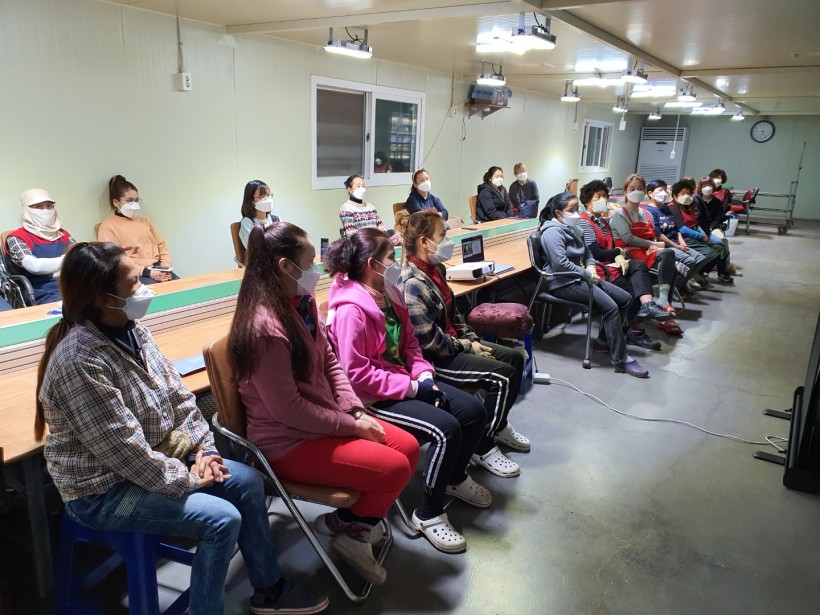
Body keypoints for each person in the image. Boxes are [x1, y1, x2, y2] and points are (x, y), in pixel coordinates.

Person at [35, 241, 328, 615]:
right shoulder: (80, 361)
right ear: (104, 298)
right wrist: (190, 478)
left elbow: (180, 398)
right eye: (133, 283)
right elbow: (126, 454)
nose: (143, 288)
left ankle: (269, 590)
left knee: (248, 482)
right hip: (103, 490)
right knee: (221, 521)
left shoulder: (134, 331)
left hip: (154, 461)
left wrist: (205, 451)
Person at [229, 222, 419, 586]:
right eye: (309, 262)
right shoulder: (264, 328)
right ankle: (355, 534)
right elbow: (288, 410)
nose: (316, 270)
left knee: (408, 448)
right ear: (286, 266)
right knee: (394, 468)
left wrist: (354, 408)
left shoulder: (301, 303)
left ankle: (344, 522)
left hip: (324, 420)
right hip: (287, 441)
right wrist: (351, 425)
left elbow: (331, 361)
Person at [324, 229, 489, 553]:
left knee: (473, 411)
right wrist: (413, 389)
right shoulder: (350, 310)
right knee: (446, 430)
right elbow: (355, 375)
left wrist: (424, 378)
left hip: (402, 381)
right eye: (391, 258)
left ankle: (454, 478)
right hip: (370, 397)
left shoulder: (390, 293)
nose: (397, 263)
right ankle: (428, 513)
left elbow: (411, 344)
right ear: (372, 264)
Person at [395, 211, 530, 477]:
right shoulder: (411, 284)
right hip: (436, 358)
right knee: (503, 376)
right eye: (442, 236)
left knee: (515, 358)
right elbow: (429, 341)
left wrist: (471, 339)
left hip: (455, 344)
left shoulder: (437, 269)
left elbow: (453, 315)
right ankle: (482, 446)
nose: (448, 242)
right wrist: (468, 347)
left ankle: (497, 426)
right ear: (424, 242)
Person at [538, 192, 649, 377]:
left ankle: (604, 342)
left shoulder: (574, 228)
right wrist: (587, 274)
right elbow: (560, 263)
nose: (576, 214)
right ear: (558, 213)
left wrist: (590, 266)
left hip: (581, 278)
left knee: (625, 299)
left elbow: (587, 253)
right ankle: (620, 358)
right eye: (571, 210)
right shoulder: (552, 232)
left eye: (577, 209)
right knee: (611, 307)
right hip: (563, 282)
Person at [577, 180, 670, 351]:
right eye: (598, 197)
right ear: (587, 201)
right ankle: (618, 336)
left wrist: (619, 255)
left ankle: (647, 306)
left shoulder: (603, 222)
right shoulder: (584, 222)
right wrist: (619, 252)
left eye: (604, 196)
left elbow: (612, 246)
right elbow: (596, 253)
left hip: (611, 265)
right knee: (632, 292)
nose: (603, 200)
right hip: (598, 269)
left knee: (639, 266)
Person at [609, 174, 684, 336]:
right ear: (625, 191)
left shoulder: (646, 213)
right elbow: (628, 238)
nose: (636, 191)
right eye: (632, 189)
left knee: (670, 260)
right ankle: (665, 312)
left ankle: (663, 302)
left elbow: (652, 235)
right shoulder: (620, 214)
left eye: (639, 188)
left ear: (645, 191)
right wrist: (653, 245)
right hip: (629, 253)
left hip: (647, 251)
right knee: (668, 262)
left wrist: (653, 245)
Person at [98, 175, 178, 285]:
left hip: (158, 267)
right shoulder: (107, 227)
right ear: (116, 202)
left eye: (136, 200)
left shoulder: (145, 222)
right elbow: (114, 260)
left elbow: (161, 244)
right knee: (156, 293)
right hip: (136, 272)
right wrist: (147, 272)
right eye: (129, 201)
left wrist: (165, 266)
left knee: (183, 287)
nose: (134, 204)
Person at [4, 188, 75, 304]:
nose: (45, 211)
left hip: (72, 286)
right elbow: (35, 266)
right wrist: (67, 260)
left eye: (49, 206)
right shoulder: (16, 238)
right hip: (41, 292)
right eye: (38, 207)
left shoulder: (64, 235)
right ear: (27, 210)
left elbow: (80, 259)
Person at [644, 179, 710, 292]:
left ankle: (680, 284)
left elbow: (676, 228)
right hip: (664, 245)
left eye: (665, 190)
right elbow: (659, 236)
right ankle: (674, 289)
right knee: (690, 260)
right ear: (650, 193)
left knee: (700, 258)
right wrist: (677, 246)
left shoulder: (665, 208)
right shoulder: (649, 211)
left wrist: (682, 243)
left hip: (677, 243)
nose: (664, 193)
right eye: (660, 190)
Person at [667, 180, 734, 284]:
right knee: (712, 253)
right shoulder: (673, 207)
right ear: (675, 195)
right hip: (685, 237)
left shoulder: (687, 206)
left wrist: (704, 234)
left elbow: (696, 223)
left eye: (689, 193)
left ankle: (704, 272)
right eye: (683, 193)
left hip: (696, 233)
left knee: (721, 249)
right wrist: (701, 236)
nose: (686, 196)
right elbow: (682, 229)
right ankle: (692, 276)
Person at [695, 176, 742, 276]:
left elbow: (718, 218)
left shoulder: (717, 202)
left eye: (709, 185)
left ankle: (724, 269)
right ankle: (704, 270)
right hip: (698, 228)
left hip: (713, 227)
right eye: (704, 185)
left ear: (713, 187)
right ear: (700, 187)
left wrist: (711, 227)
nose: (707, 187)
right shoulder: (696, 200)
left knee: (722, 241)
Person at [339, 175, 401, 246]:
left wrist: (380, 232)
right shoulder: (346, 208)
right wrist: (373, 232)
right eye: (358, 186)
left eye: (363, 186)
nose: (362, 189)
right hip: (361, 245)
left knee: (392, 233)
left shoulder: (371, 207)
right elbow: (351, 234)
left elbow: (382, 227)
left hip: (377, 241)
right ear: (350, 189)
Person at [239, 180, 280, 249]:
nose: (267, 199)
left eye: (268, 195)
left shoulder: (276, 219)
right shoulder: (247, 222)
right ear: (251, 201)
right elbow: (253, 248)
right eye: (262, 196)